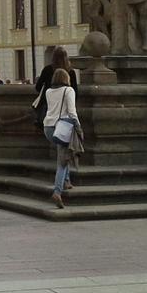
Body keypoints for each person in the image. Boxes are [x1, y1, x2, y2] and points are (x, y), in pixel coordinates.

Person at [41, 69, 81, 209]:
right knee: (62, 162)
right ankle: (57, 192)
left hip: (48, 127)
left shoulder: (48, 91)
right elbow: (71, 111)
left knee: (63, 152)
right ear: (66, 78)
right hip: (62, 127)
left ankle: (67, 181)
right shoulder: (69, 90)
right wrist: (78, 126)